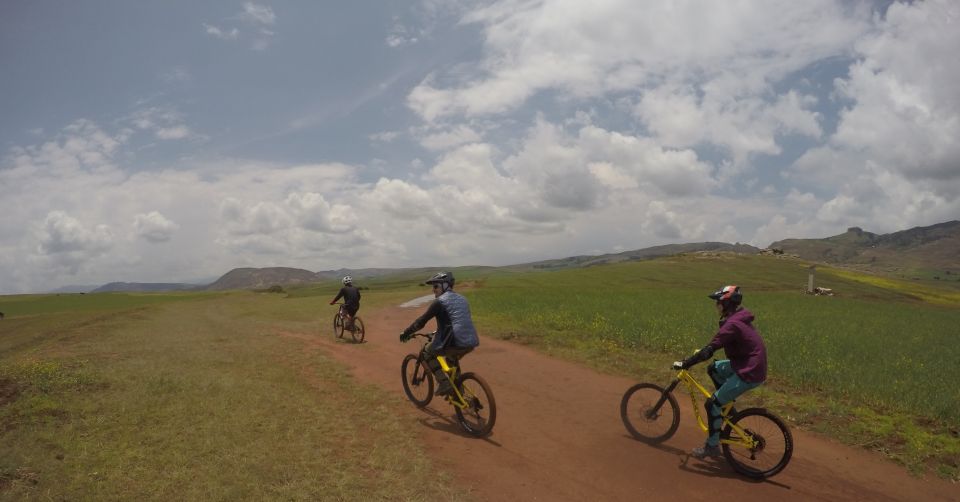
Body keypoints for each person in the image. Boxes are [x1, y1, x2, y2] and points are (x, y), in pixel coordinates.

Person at [672, 285, 767, 459]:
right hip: (747, 363)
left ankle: (712, 446)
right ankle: (726, 406)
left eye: (718, 303)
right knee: (714, 368)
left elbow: (710, 350)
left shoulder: (732, 324)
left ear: (726, 304)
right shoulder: (737, 318)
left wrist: (686, 363)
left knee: (711, 404)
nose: (716, 306)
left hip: (749, 370)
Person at [399, 271, 480, 396]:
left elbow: (421, 321)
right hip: (471, 341)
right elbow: (457, 321)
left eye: (436, 286)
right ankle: (459, 392)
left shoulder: (440, 302)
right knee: (451, 359)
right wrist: (438, 332)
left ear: (445, 285)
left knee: (427, 353)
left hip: (454, 341)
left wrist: (406, 332)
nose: (433, 290)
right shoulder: (463, 299)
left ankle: (444, 383)